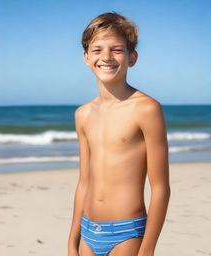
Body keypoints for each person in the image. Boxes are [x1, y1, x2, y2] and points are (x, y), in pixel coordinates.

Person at [67, 11, 170, 256]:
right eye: (97, 49)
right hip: (88, 232)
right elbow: (84, 183)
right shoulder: (83, 114)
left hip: (127, 233)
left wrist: (147, 250)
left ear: (132, 57)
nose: (106, 57)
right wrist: (72, 241)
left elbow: (161, 188)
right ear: (85, 57)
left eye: (117, 49)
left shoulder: (147, 109)